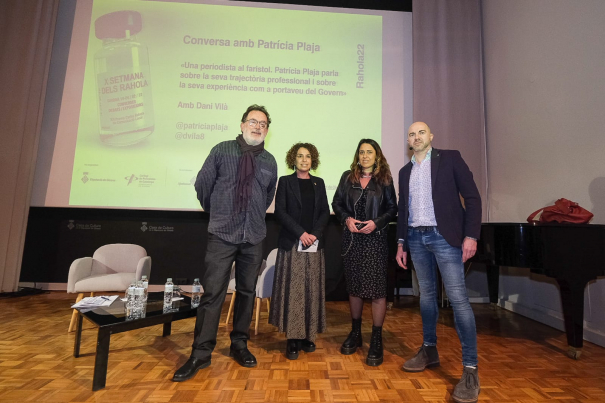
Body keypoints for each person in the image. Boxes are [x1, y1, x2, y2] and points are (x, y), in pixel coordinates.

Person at [173, 104, 277, 382]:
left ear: (268, 130)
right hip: (222, 234)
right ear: (242, 124)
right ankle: (200, 353)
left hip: (253, 236)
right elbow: (203, 186)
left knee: (246, 292)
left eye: (263, 124)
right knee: (213, 294)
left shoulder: (269, 161)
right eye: (253, 121)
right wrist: (219, 212)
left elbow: (267, 196)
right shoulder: (221, 150)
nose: (257, 126)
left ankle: (239, 344)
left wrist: (250, 216)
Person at [396, 122, 482, 403]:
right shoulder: (404, 171)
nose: (416, 136)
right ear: (408, 141)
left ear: (430, 136)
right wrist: (401, 242)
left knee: (458, 300)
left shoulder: (450, 158)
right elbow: (402, 209)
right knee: (427, 298)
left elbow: (472, 197)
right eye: (411, 134)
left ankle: (470, 369)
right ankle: (429, 350)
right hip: (415, 238)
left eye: (421, 132)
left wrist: (471, 235)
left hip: (445, 238)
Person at [332, 138, 397, 366]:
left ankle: (377, 339)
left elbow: (392, 208)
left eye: (369, 152)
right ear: (357, 155)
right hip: (352, 241)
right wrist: (345, 219)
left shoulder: (385, 180)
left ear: (376, 155)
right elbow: (337, 203)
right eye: (361, 152)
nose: (365, 156)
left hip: (375, 240)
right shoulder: (347, 177)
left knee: (378, 291)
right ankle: (356, 332)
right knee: (355, 287)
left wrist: (377, 223)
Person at [270, 142, 330, 360]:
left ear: (313, 160)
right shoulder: (285, 182)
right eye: (300, 156)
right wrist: (301, 233)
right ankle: (292, 340)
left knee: (311, 290)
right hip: (293, 244)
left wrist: (314, 233)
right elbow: (280, 212)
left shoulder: (319, 183)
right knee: (294, 292)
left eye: (308, 156)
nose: (304, 160)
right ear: (292, 160)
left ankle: (308, 336)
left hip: (314, 245)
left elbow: (325, 211)